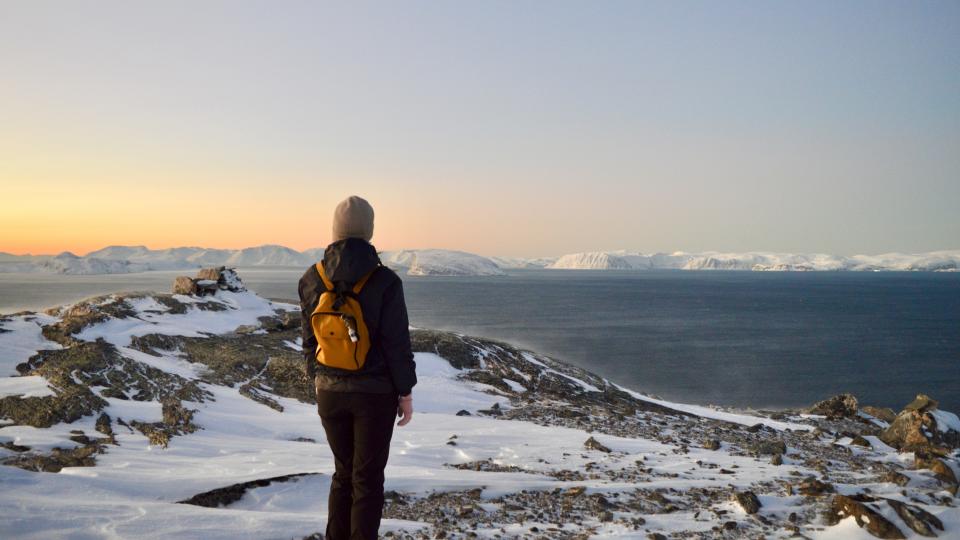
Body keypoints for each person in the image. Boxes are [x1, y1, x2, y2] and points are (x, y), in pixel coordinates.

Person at [298, 195, 417, 540]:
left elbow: (309, 340)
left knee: (342, 475)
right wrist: (405, 392)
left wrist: (318, 378)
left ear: (334, 230)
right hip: (375, 395)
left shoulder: (312, 278)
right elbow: (397, 345)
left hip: (329, 393)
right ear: (370, 230)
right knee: (367, 481)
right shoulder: (386, 281)